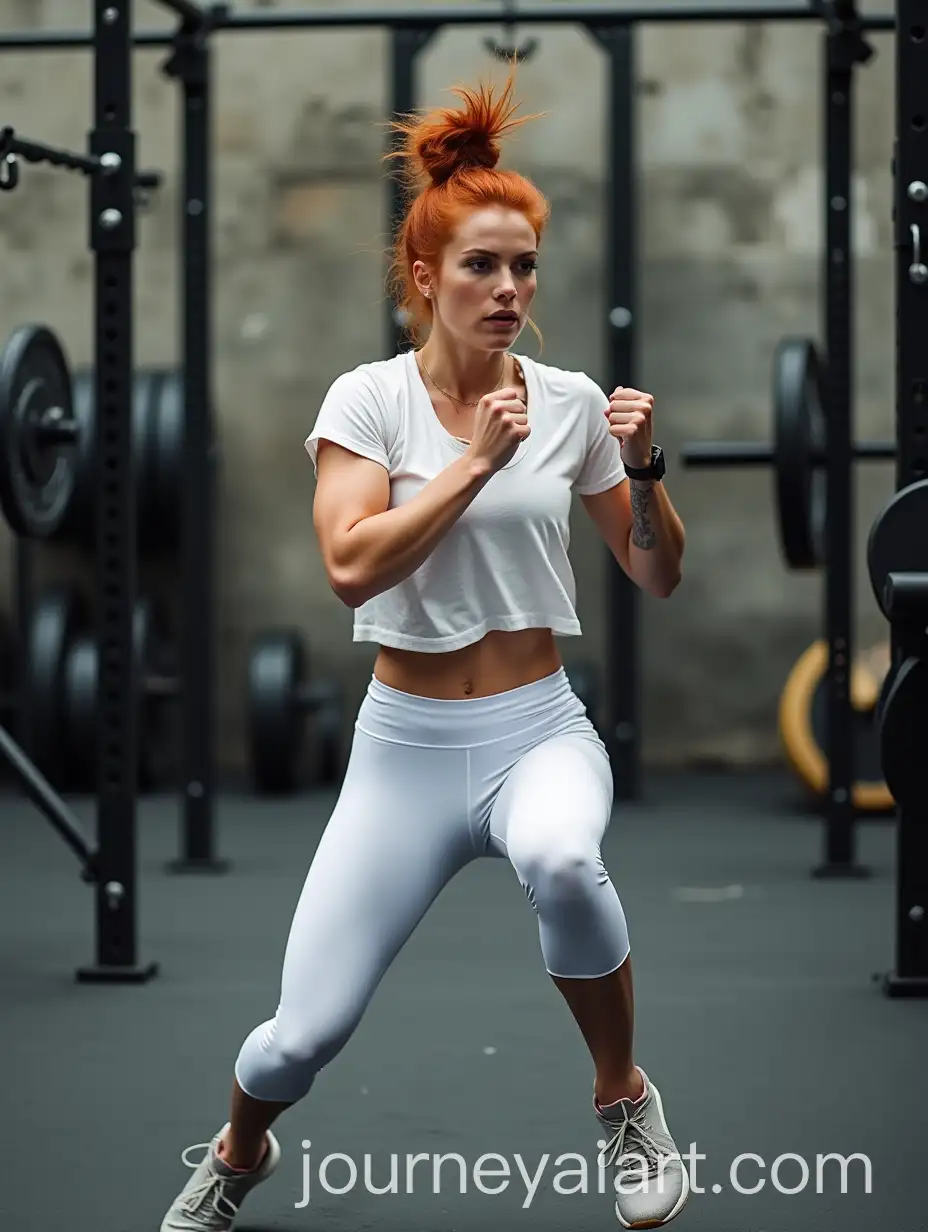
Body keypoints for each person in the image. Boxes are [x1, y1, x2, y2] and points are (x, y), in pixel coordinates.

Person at [160, 68, 688, 1232]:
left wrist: (645, 473)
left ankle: (623, 1096)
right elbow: (350, 564)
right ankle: (240, 1146)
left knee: (562, 856)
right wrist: (472, 467)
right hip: (401, 747)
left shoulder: (564, 400)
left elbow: (654, 570)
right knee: (302, 1033)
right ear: (423, 276)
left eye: (523, 267)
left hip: (536, 725)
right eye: (480, 266)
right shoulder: (368, 401)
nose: (508, 289)